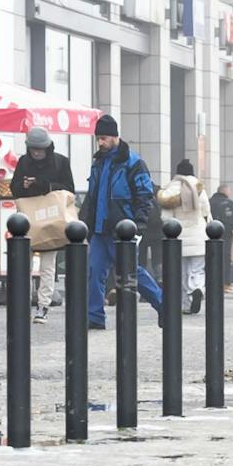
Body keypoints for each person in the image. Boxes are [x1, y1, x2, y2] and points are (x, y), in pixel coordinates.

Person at [81, 114, 164, 329]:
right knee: (94, 271)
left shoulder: (133, 163)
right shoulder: (98, 163)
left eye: (104, 138)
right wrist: (87, 224)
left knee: (131, 271)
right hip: (100, 229)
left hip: (122, 229)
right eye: (98, 138)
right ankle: (95, 316)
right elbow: (92, 197)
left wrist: (139, 224)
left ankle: (164, 305)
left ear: (115, 136)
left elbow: (145, 195)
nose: (100, 142)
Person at [10, 127, 77, 319]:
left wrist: (45, 185)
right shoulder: (24, 162)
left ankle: (43, 305)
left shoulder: (60, 162)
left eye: (40, 149)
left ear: (47, 148)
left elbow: (69, 189)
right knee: (24, 265)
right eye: (33, 149)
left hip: (51, 220)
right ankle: (23, 304)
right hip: (29, 220)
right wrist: (24, 185)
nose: (37, 153)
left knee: (48, 266)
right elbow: (14, 188)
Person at [155, 159, 209, 311]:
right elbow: (206, 211)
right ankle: (197, 288)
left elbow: (166, 218)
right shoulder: (199, 187)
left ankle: (186, 304)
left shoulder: (170, 189)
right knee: (197, 269)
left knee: (182, 273)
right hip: (199, 235)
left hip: (179, 238)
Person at [209, 184, 233, 287]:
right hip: (226, 234)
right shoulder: (229, 203)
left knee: (212, 257)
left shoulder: (210, 202)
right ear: (225, 191)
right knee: (226, 257)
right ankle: (226, 282)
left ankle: (213, 281)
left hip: (210, 234)